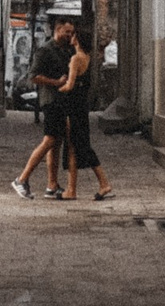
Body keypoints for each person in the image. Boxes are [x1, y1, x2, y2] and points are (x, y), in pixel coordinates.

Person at [10, 19, 75, 199]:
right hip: (50, 100)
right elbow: (33, 76)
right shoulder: (45, 50)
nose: (69, 35)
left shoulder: (66, 50)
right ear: (58, 30)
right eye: (67, 32)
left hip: (61, 101)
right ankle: (21, 179)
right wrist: (56, 82)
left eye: (71, 32)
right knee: (49, 140)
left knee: (56, 142)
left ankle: (52, 185)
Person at [56, 26, 113, 201]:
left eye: (73, 35)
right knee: (73, 147)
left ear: (78, 39)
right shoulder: (87, 58)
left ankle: (104, 183)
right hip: (81, 106)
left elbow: (70, 85)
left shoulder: (76, 58)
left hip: (73, 106)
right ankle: (71, 189)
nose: (71, 37)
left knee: (81, 147)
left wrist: (57, 89)